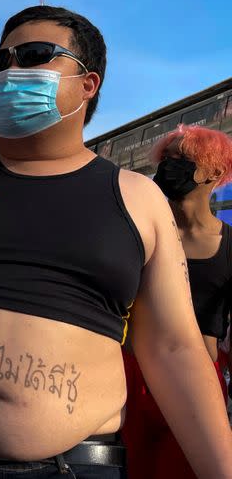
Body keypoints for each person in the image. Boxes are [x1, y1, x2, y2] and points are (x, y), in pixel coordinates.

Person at [0, 5, 232, 479]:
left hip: (72, 468)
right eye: (0, 61)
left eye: (34, 55)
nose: (11, 71)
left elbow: (174, 348)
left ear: (88, 85)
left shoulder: (136, 198)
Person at [122, 125, 232, 478]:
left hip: (200, 379)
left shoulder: (229, 244)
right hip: (131, 372)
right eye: (166, 158)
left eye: (182, 159)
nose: (169, 166)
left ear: (215, 171)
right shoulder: (138, 230)